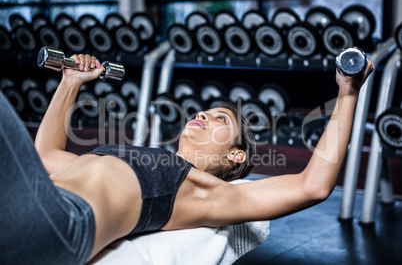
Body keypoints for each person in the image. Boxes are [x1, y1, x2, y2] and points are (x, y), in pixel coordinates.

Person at [0, 52, 374, 265]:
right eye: (207, 111)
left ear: (235, 155)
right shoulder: (141, 157)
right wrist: (70, 82)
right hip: (36, 207)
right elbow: (45, 156)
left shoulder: (201, 190)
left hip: (63, 226)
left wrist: (347, 92)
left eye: (221, 119)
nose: (206, 115)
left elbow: (313, 186)